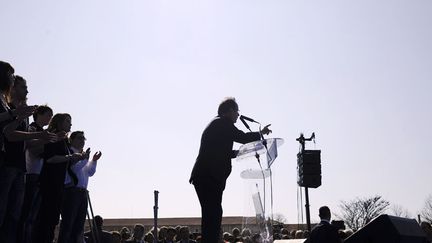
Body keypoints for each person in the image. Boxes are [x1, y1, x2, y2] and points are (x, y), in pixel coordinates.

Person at [189, 97, 271, 243]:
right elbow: (242, 137)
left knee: (212, 215)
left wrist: (241, 152)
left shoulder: (218, 125)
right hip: (208, 177)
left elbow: (222, 152)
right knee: (212, 215)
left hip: (207, 177)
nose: (238, 115)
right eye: (237, 111)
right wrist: (261, 133)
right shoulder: (222, 123)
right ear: (230, 111)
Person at [33, 113, 88, 243]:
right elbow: (50, 158)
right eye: (67, 121)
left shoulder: (63, 140)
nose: (70, 124)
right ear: (59, 122)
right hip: (50, 183)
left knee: (53, 220)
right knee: (46, 220)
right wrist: (70, 158)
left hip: (58, 185)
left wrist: (77, 158)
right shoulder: (54, 136)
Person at [58, 131, 102, 243]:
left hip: (82, 192)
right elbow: (73, 169)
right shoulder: (70, 153)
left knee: (79, 225)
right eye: (79, 138)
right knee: (68, 223)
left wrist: (93, 161)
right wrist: (84, 159)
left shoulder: (83, 155)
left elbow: (89, 172)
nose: (82, 141)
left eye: (83, 139)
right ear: (71, 140)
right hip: (71, 191)